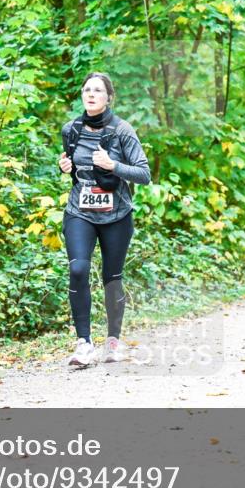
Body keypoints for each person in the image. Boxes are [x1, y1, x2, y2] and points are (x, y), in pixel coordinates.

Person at [58, 72, 151, 366]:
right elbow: (74, 171)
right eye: (87, 89)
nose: (91, 94)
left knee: (111, 278)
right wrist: (64, 167)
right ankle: (84, 344)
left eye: (98, 90)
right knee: (78, 270)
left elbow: (144, 174)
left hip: (116, 216)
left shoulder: (122, 130)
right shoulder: (71, 129)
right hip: (80, 213)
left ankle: (112, 342)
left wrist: (113, 165)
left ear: (108, 96)